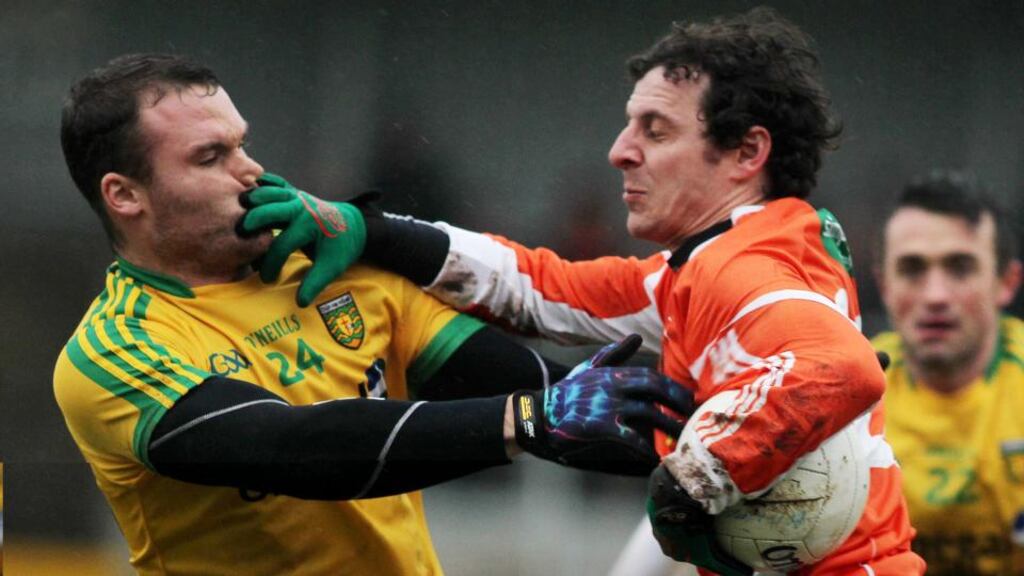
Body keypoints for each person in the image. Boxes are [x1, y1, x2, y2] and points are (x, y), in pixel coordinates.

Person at [250, 8, 926, 574]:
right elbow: (544, 287)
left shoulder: (739, 270)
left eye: (654, 131)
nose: (620, 150)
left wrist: (697, 477)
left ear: (748, 154)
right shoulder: (729, 257)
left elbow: (839, 367)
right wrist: (373, 230)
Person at [52, 53, 694, 576]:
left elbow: (559, 404)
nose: (251, 171)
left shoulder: (341, 275)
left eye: (243, 145)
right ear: (125, 196)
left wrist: (725, 454)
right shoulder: (111, 354)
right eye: (210, 157)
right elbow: (292, 450)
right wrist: (528, 419)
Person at [874, 170, 1024, 575]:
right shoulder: (839, 400)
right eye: (912, 268)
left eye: (960, 267)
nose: (935, 295)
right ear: (884, 285)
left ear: (1006, 283)